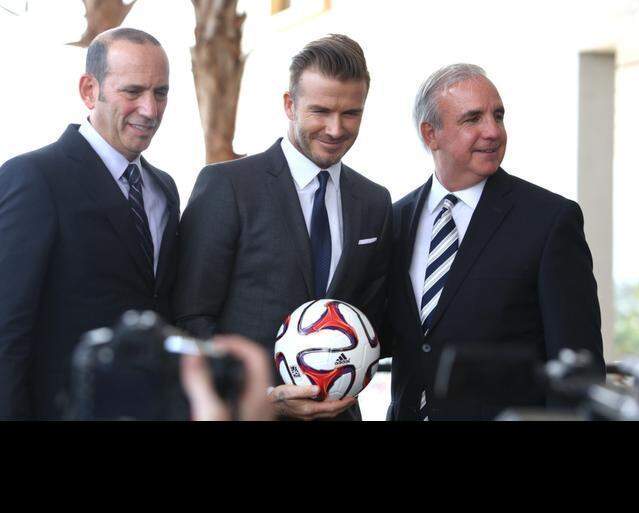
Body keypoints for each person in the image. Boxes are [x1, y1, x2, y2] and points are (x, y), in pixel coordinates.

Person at [174, 34, 392, 421]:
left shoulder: (375, 201)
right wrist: (265, 395)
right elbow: (190, 318)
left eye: (351, 113)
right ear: (289, 105)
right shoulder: (227, 186)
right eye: (320, 111)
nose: (336, 129)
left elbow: (369, 321)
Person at [383, 64, 604, 421]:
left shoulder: (549, 220)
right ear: (430, 134)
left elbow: (578, 368)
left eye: (498, 116)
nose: (493, 131)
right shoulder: (394, 220)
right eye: (473, 119)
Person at [0, 28, 178, 420]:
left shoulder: (164, 189)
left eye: (161, 92)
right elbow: (6, 330)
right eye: (132, 91)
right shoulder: (34, 177)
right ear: (88, 90)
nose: (150, 109)